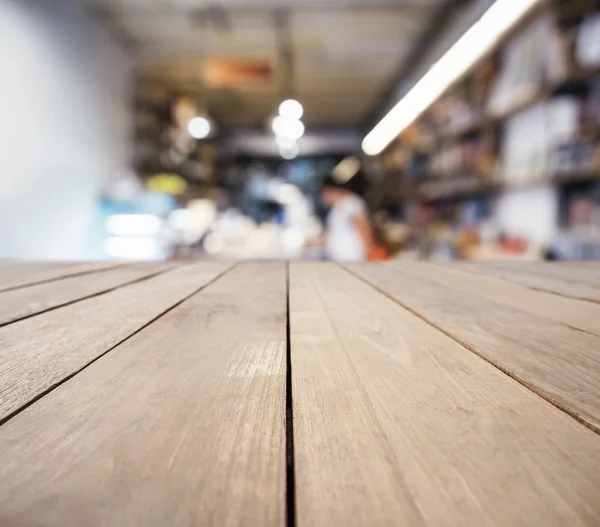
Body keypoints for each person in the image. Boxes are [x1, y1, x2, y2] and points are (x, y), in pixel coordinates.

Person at [319, 176, 374, 261]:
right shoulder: (336, 207)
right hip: (338, 256)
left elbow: (363, 227)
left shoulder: (352, 202)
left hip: (353, 255)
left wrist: (369, 250)